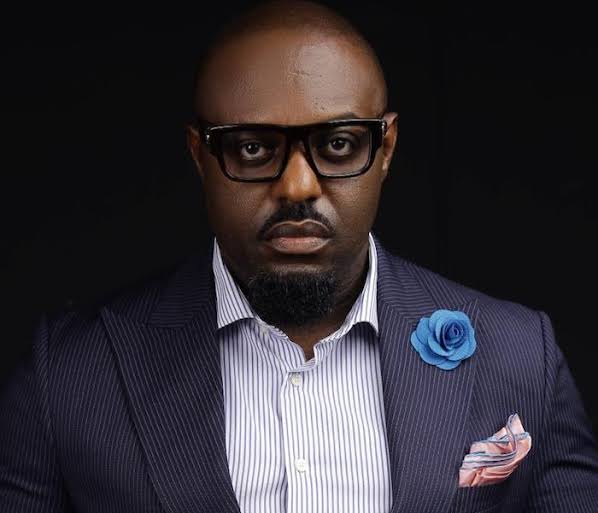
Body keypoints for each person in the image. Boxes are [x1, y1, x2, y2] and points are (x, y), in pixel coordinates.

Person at [1, 1, 597, 512]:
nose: (297, 186)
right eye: (252, 148)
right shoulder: (70, 375)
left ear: (386, 148)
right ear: (200, 156)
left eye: (337, 144)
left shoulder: (520, 357)